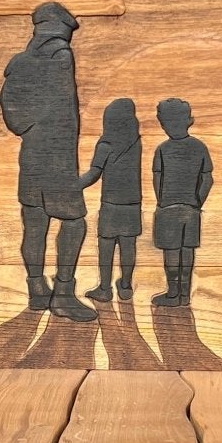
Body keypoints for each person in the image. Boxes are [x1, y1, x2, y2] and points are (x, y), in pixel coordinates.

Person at [0, 1, 96, 321]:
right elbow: (63, 113)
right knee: (74, 222)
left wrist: (28, 129)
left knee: (35, 222)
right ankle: (63, 294)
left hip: (31, 155)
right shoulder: (61, 57)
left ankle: (37, 289)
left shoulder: (19, 61)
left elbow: (9, 105)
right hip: (58, 158)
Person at [149, 97, 212, 308]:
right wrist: (197, 202)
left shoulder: (162, 149)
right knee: (187, 251)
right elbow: (207, 178)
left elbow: (157, 178)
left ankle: (173, 293)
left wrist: (162, 201)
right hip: (191, 210)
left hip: (168, 209)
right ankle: (184, 295)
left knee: (172, 252)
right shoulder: (199, 147)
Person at [80, 97, 142, 302]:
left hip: (111, 204)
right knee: (128, 246)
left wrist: (73, 185)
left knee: (106, 245)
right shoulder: (136, 143)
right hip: (133, 204)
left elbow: (93, 174)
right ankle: (126, 286)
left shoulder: (106, 144)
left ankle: (105, 288)